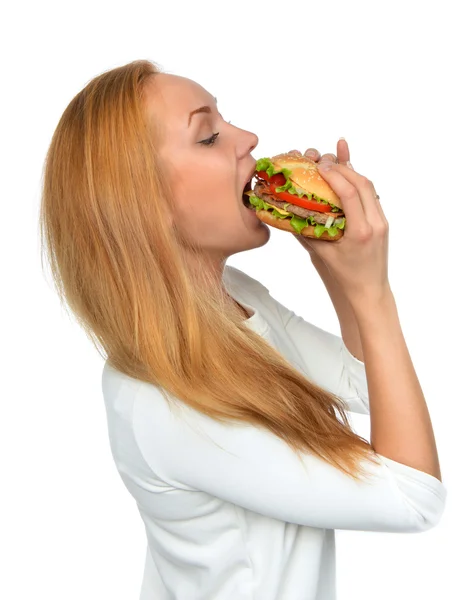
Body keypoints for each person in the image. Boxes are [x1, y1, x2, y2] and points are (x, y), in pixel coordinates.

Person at [39, 60, 447, 600]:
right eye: (208, 136)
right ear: (145, 204)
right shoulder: (165, 405)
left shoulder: (233, 299)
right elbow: (414, 498)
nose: (248, 138)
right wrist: (373, 293)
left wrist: (338, 268)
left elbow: (363, 382)